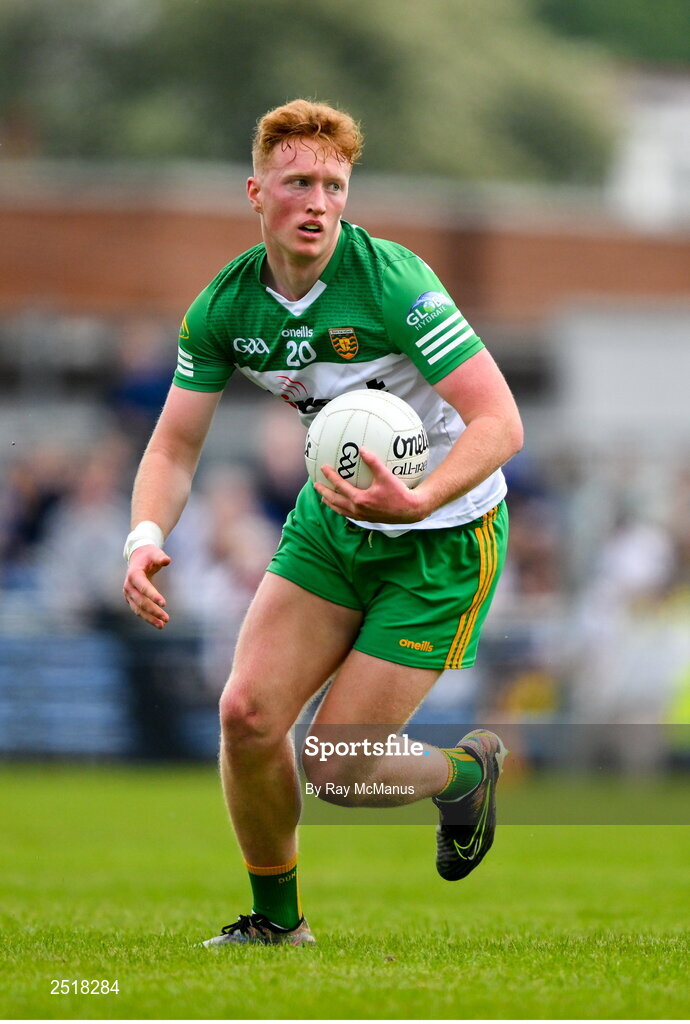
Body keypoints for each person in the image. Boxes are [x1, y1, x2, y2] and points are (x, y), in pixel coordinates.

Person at [122, 99, 523, 947]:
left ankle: (461, 775)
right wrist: (144, 537)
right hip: (333, 524)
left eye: (334, 184)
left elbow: (501, 424)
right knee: (246, 715)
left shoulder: (394, 284)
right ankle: (277, 927)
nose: (318, 201)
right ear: (256, 193)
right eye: (298, 181)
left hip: (442, 539)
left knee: (340, 770)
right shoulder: (225, 309)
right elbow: (173, 448)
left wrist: (418, 497)